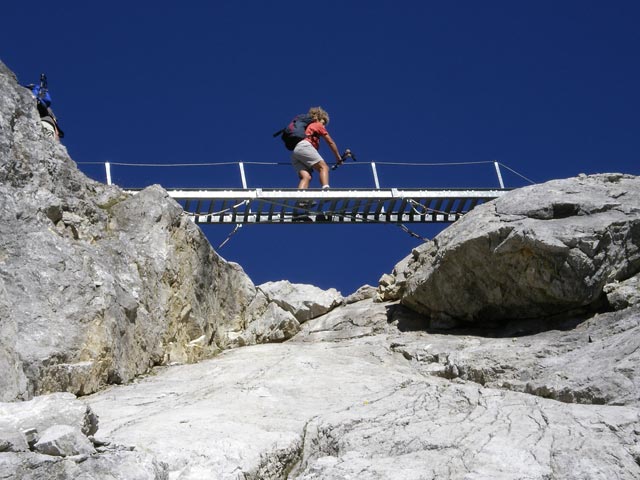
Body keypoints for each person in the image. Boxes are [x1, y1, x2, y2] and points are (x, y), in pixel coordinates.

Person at [291, 106, 342, 190]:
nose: (324, 126)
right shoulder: (318, 125)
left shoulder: (308, 127)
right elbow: (330, 142)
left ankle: (301, 201)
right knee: (324, 167)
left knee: (306, 177)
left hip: (296, 152)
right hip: (305, 147)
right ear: (319, 118)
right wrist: (338, 157)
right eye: (324, 122)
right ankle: (326, 189)